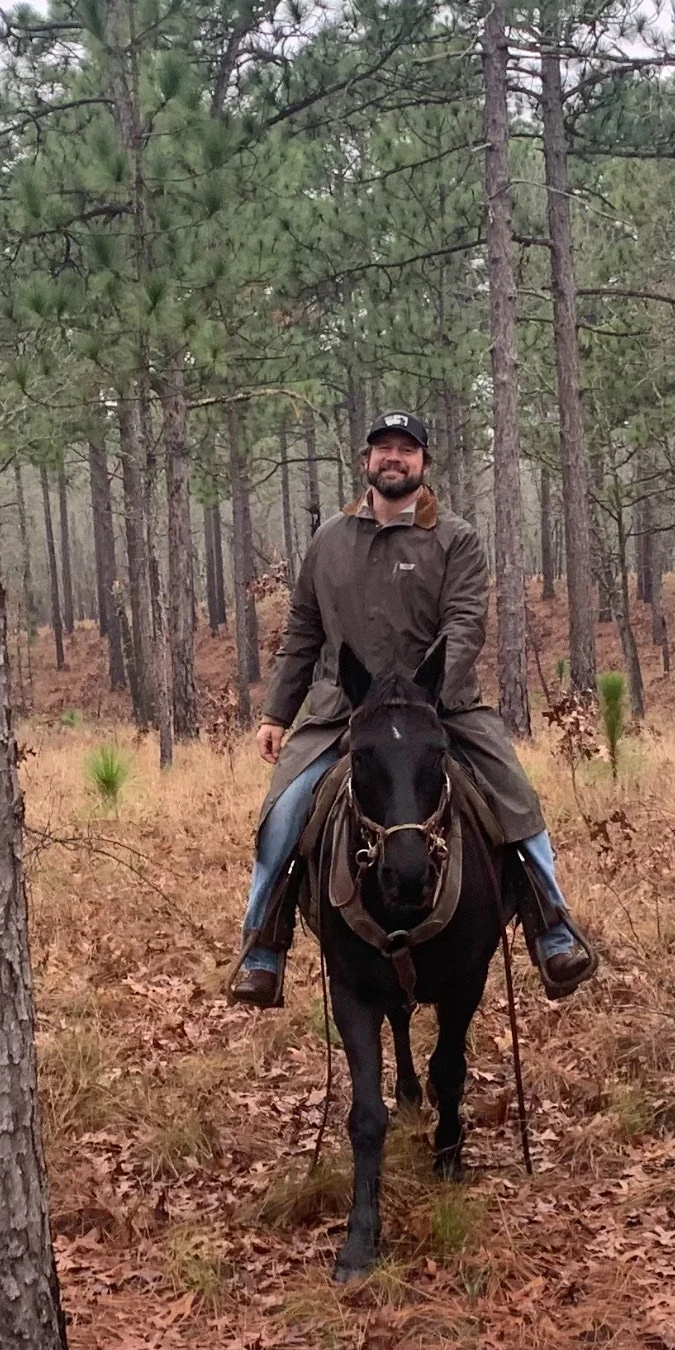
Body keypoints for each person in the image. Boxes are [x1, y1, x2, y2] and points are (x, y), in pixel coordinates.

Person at [228, 411, 596, 1007]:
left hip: (440, 708)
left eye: (406, 449)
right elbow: (303, 631)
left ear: (424, 462)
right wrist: (277, 713)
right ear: (366, 460)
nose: (394, 458)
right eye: (384, 449)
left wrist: (427, 694)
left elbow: (465, 623)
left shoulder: (455, 538)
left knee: (517, 801)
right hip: (340, 712)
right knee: (282, 816)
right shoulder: (328, 542)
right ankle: (262, 946)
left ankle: (552, 930)